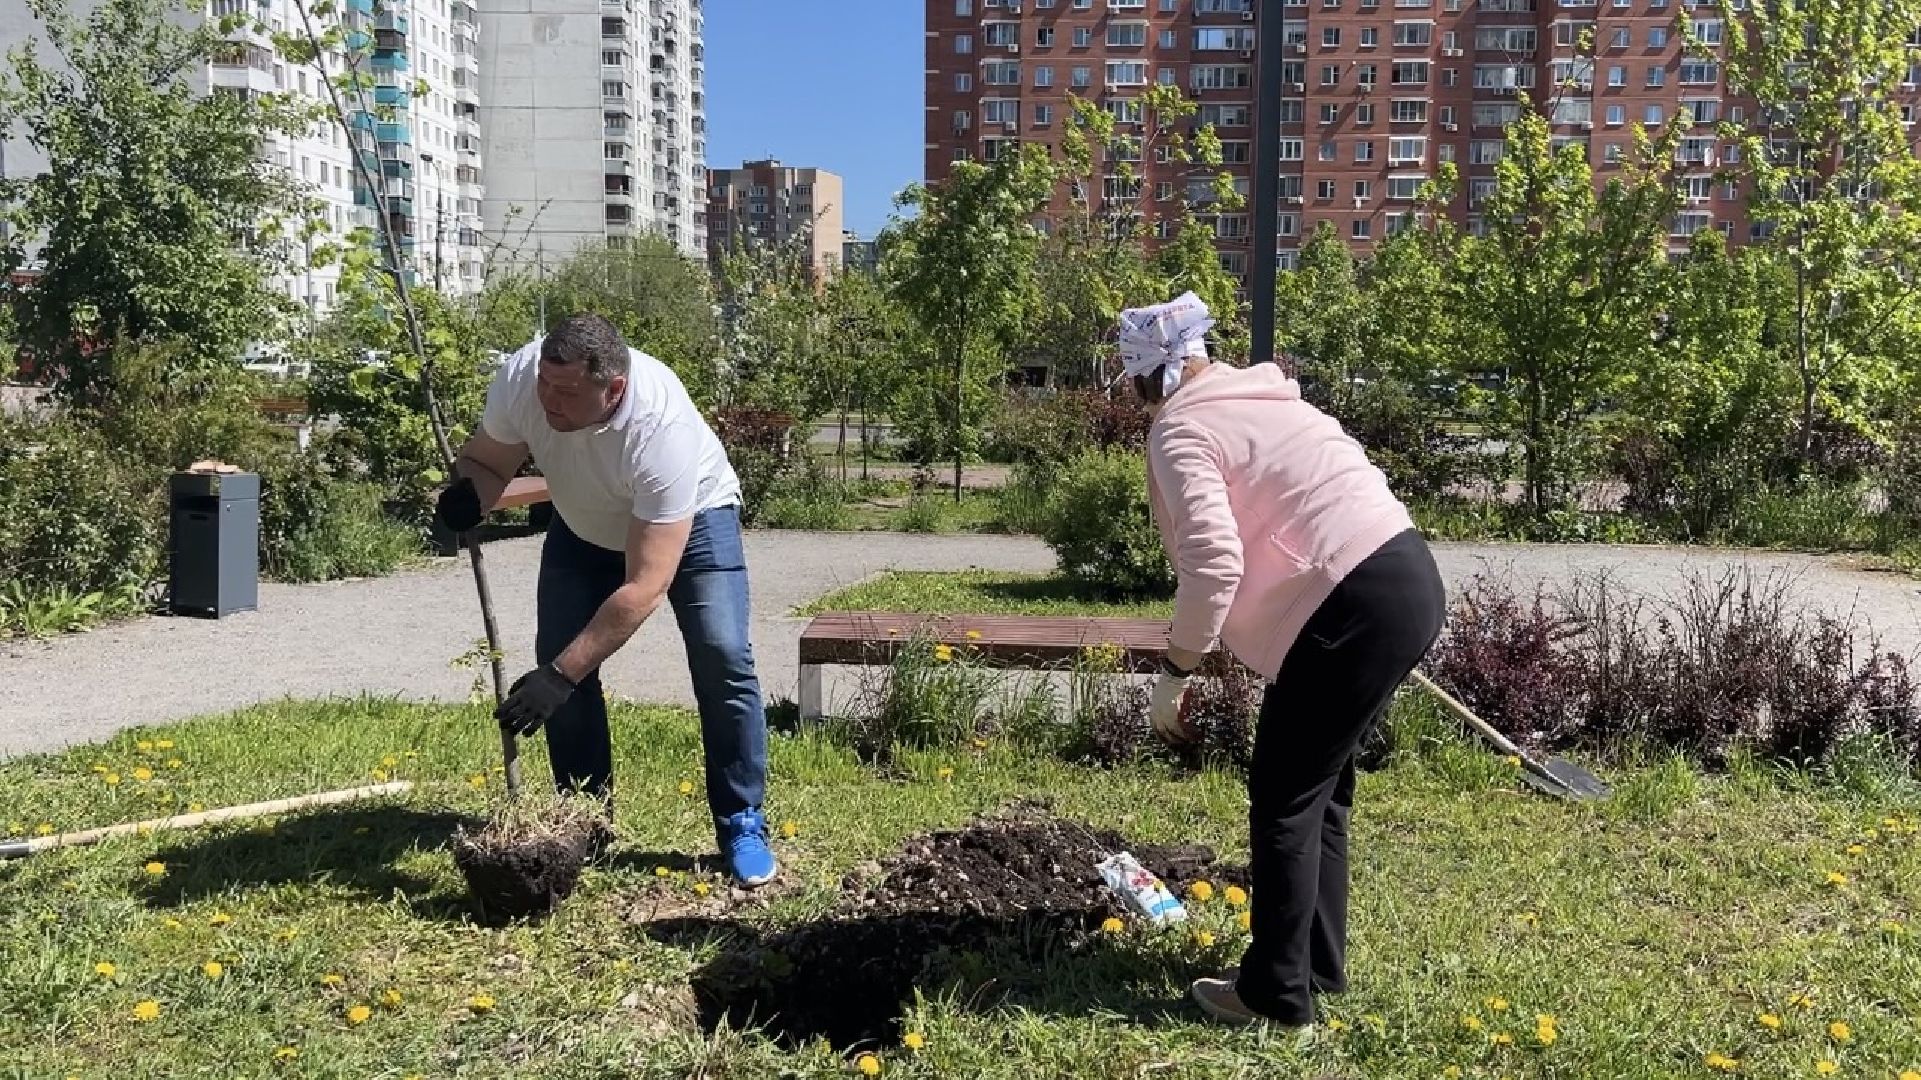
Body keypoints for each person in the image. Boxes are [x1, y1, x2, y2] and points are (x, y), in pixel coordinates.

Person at [1120, 292, 1448, 1027]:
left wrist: (1173, 675)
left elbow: (1210, 560)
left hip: (1350, 603)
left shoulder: (1180, 429)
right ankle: (1314, 970)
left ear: (1145, 378)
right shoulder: (1270, 398)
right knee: (1319, 790)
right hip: (1406, 578)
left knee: (1283, 797)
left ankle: (1272, 996)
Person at [432, 313, 777, 886]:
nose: (547, 401)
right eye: (545, 383)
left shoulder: (659, 426)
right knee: (561, 653)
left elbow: (644, 584)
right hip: (582, 523)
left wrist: (560, 675)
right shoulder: (526, 377)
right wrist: (470, 497)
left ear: (612, 388)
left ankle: (742, 820)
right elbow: (489, 461)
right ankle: (586, 822)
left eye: (565, 393)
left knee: (721, 656)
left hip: (693, 522)